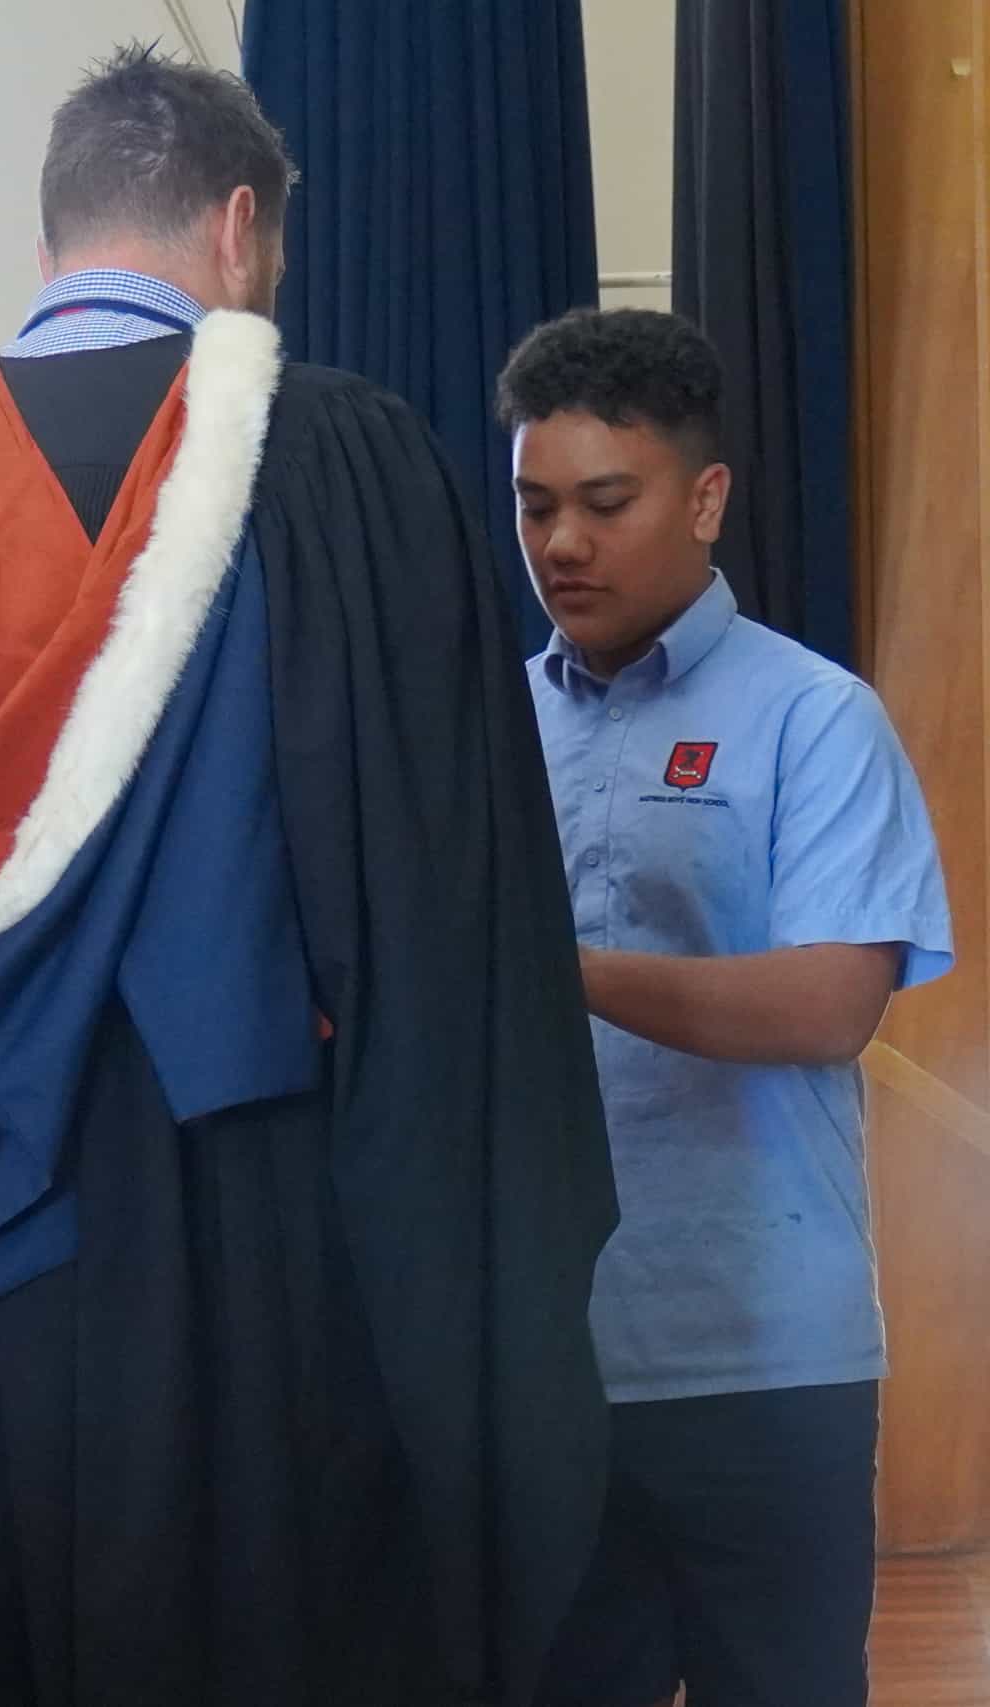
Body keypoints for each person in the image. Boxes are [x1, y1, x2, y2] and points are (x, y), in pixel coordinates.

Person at [0, 45, 619, 1706]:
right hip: (262, 1224)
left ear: (52, 235)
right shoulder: (340, 459)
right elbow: (450, 913)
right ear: (237, 225)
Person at [499, 308, 952, 1707]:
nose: (562, 543)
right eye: (534, 506)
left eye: (604, 503)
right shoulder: (490, 725)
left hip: (763, 1359)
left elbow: (827, 1005)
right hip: (543, 1357)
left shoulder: (815, 717)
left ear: (704, 500)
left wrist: (538, 966)